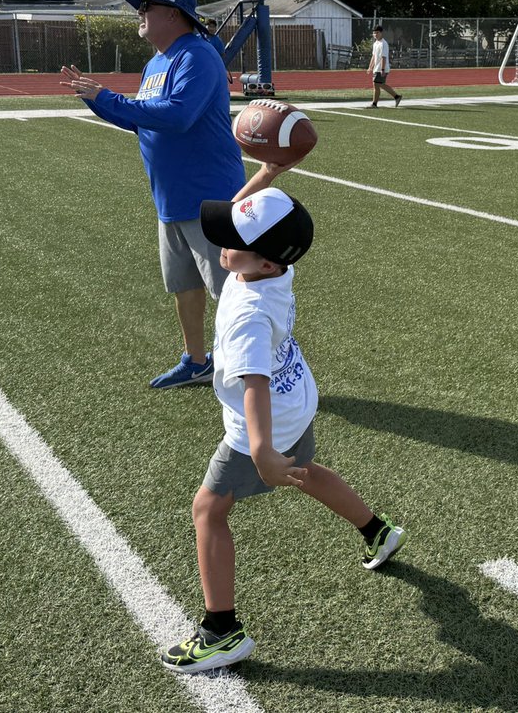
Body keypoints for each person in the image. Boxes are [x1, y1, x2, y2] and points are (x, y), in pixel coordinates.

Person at [159, 165, 406, 673]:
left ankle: (220, 630)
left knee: (207, 509)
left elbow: (255, 385)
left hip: (266, 418)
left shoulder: (249, 313)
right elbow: (245, 220)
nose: (221, 246)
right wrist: (266, 175)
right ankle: (377, 530)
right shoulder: (273, 269)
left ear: (267, 263)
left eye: (233, 242)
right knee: (306, 473)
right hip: (300, 398)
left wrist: (263, 451)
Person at [60, 0, 245, 389]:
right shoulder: (156, 63)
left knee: (233, 292)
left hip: (209, 196)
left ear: (174, 14)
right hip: (172, 197)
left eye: (148, 5)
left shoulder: (196, 55)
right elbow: (141, 119)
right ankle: (198, 361)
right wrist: (96, 100)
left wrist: (108, 97)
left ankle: (260, 368)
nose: (140, 12)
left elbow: (177, 115)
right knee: (185, 286)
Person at [367, 25, 402, 108]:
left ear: (381, 33)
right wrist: (370, 67)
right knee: (380, 85)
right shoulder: (376, 43)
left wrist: (382, 69)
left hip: (381, 68)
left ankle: (374, 104)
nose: (375, 34)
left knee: (376, 84)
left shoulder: (383, 43)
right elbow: (374, 56)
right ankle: (397, 97)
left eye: (377, 33)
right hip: (376, 68)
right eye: (374, 33)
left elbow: (384, 57)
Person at [203, 17, 233, 84]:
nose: (211, 29)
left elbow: (222, 54)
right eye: (209, 26)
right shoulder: (199, 37)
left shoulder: (217, 41)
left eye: (213, 27)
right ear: (205, 26)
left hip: (212, 67)